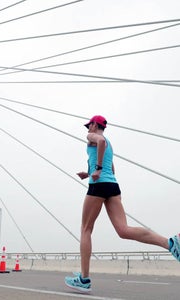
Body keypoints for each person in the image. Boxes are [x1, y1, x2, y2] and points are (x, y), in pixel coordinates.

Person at [64, 115, 180, 293]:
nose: (88, 129)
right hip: (113, 186)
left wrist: (97, 170)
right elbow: (112, 169)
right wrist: (88, 173)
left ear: (95, 125)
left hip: (98, 186)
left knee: (86, 229)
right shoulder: (110, 145)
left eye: (89, 125)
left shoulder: (94, 138)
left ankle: (84, 279)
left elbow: (99, 142)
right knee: (123, 230)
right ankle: (170, 243)